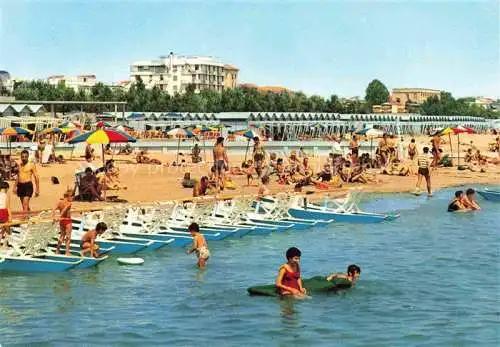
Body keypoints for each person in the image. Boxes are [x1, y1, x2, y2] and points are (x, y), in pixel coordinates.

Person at [15, 149, 40, 217]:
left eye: (25, 157)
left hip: (28, 185)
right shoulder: (19, 165)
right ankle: (29, 215)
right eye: (22, 157)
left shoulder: (31, 165)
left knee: (25, 204)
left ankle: (24, 219)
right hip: (20, 186)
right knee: (24, 205)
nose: (24, 158)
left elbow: (36, 177)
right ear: (21, 157)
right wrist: (15, 187)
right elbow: (18, 177)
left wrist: (37, 189)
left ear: (28, 156)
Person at [53, 190, 73, 255]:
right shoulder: (69, 203)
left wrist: (54, 216)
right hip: (67, 220)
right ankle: (67, 252)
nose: (72, 198)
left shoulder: (60, 202)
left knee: (62, 235)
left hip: (62, 221)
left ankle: (57, 250)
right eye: (72, 196)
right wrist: (60, 215)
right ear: (68, 196)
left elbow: (53, 209)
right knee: (68, 237)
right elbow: (65, 209)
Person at [0, 181, 12, 249]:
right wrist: (10, 216)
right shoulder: (6, 195)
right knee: (7, 230)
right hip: (3, 212)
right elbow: (8, 207)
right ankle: (5, 245)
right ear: (6, 188)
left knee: (1, 229)